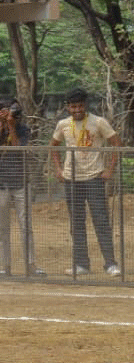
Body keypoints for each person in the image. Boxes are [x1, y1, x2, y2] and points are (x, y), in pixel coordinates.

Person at [49, 88, 122, 277]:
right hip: (72, 179)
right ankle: (81, 264)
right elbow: (53, 146)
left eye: (80, 106)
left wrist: (109, 170)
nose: (77, 110)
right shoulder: (63, 124)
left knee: (101, 221)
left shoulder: (98, 122)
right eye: (73, 106)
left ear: (85, 105)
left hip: (94, 178)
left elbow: (116, 143)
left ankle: (110, 263)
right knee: (76, 223)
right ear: (68, 107)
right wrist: (58, 169)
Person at [0, 99, 44, 277]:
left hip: (20, 181)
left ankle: (30, 264)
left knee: (26, 225)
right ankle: (5, 266)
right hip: (1, 183)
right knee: (2, 227)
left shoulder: (23, 129)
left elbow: (20, 149)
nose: (11, 115)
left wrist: (11, 126)